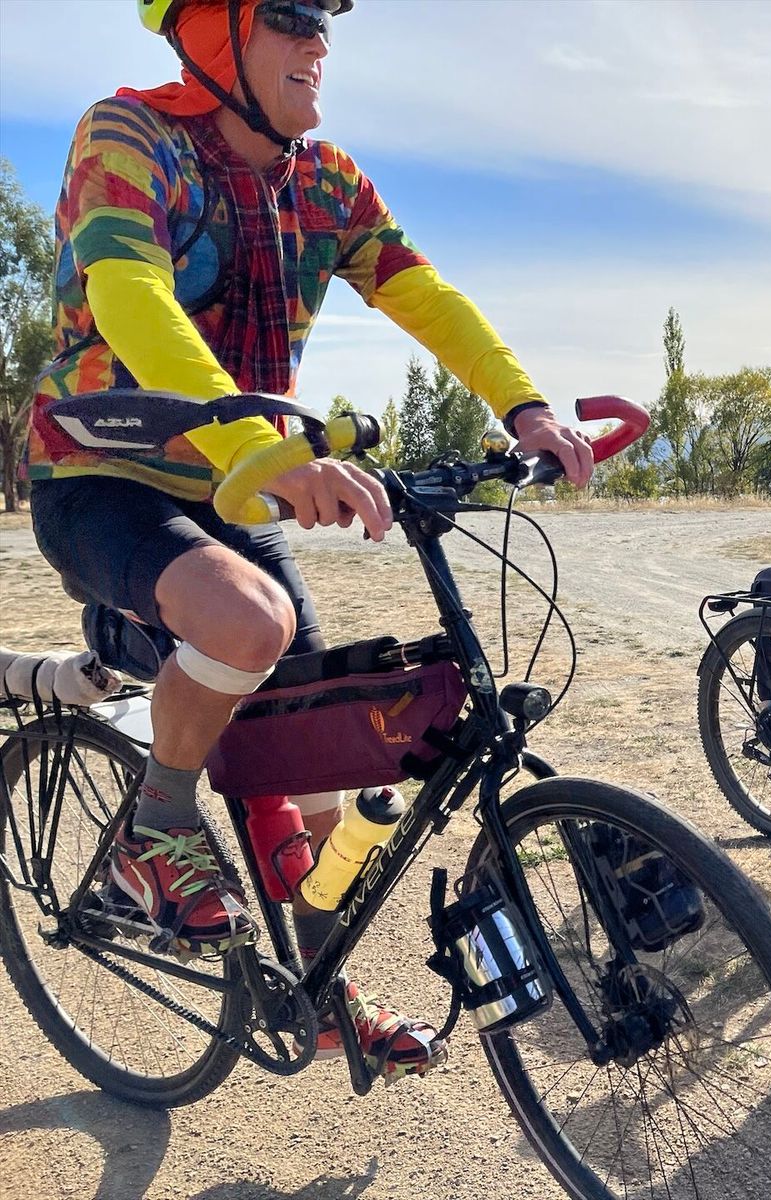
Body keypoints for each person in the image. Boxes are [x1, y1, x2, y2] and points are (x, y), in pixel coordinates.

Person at [27, 0, 594, 1078]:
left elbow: (424, 295)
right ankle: (153, 831)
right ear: (212, 28)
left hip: (235, 489)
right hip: (99, 473)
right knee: (249, 624)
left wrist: (524, 410)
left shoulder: (324, 182)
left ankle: (325, 991)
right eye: (290, 15)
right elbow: (131, 292)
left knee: (316, 750)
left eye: (326, 23)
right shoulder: (130, 135)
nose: (318, 44)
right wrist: (264, 447)